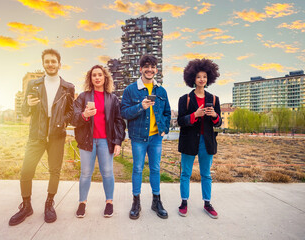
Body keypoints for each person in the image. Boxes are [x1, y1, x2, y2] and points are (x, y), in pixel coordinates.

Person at [9, 49, 75, 226]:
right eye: (47, 61)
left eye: (54, 61)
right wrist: (28, 105)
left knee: (55, 171)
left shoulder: (68, 87)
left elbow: (70, 111)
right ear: (43, 63)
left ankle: (49, 204)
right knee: (26, 171)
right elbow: (23, 111)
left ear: (59, 64)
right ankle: (26, 206)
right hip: (36, 136)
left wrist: (64, 122)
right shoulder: (34, 84)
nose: (50, 64)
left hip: (57, 136)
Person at [121, 54, 171, 220]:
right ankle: (136, 202)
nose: (149, 70)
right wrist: (140, 106)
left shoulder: (161, 90)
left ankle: (156, 201)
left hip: (156, 138)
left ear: (156, 70)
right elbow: (124, 112)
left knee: (155, 169)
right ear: (141, 69)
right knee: (137, 169)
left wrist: (165, 129)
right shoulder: (130, 90)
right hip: (138, 138)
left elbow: (167, 112)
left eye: (153, 67)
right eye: (146, 66)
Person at [72, 65, 126, 218]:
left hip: (105, 141)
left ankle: (109, 202)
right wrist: (84, 115)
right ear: (90, 78)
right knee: (85, 173)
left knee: (107, 173)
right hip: (87, 141)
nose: (97, 77)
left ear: (105, 78)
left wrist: (117, 142)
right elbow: (74, 117)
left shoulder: (112, 98)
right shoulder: (83, 97)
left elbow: (119, 121)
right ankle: (82, 202)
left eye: (100, 75)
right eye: (94, 75)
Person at [177, 58, 222, 219]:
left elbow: (219, 123)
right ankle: (184, 202)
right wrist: (194, 115)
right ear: (192, 79)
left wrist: (214, 115)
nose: (201, 79)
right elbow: (180, 121)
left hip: (207, 142)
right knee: (185, 174)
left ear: (209, 78)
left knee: (206, 174)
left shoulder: (214, 99)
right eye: (198, 76)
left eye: (204, 76)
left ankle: (207, 203)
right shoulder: (185, 99)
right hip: (189, 141)